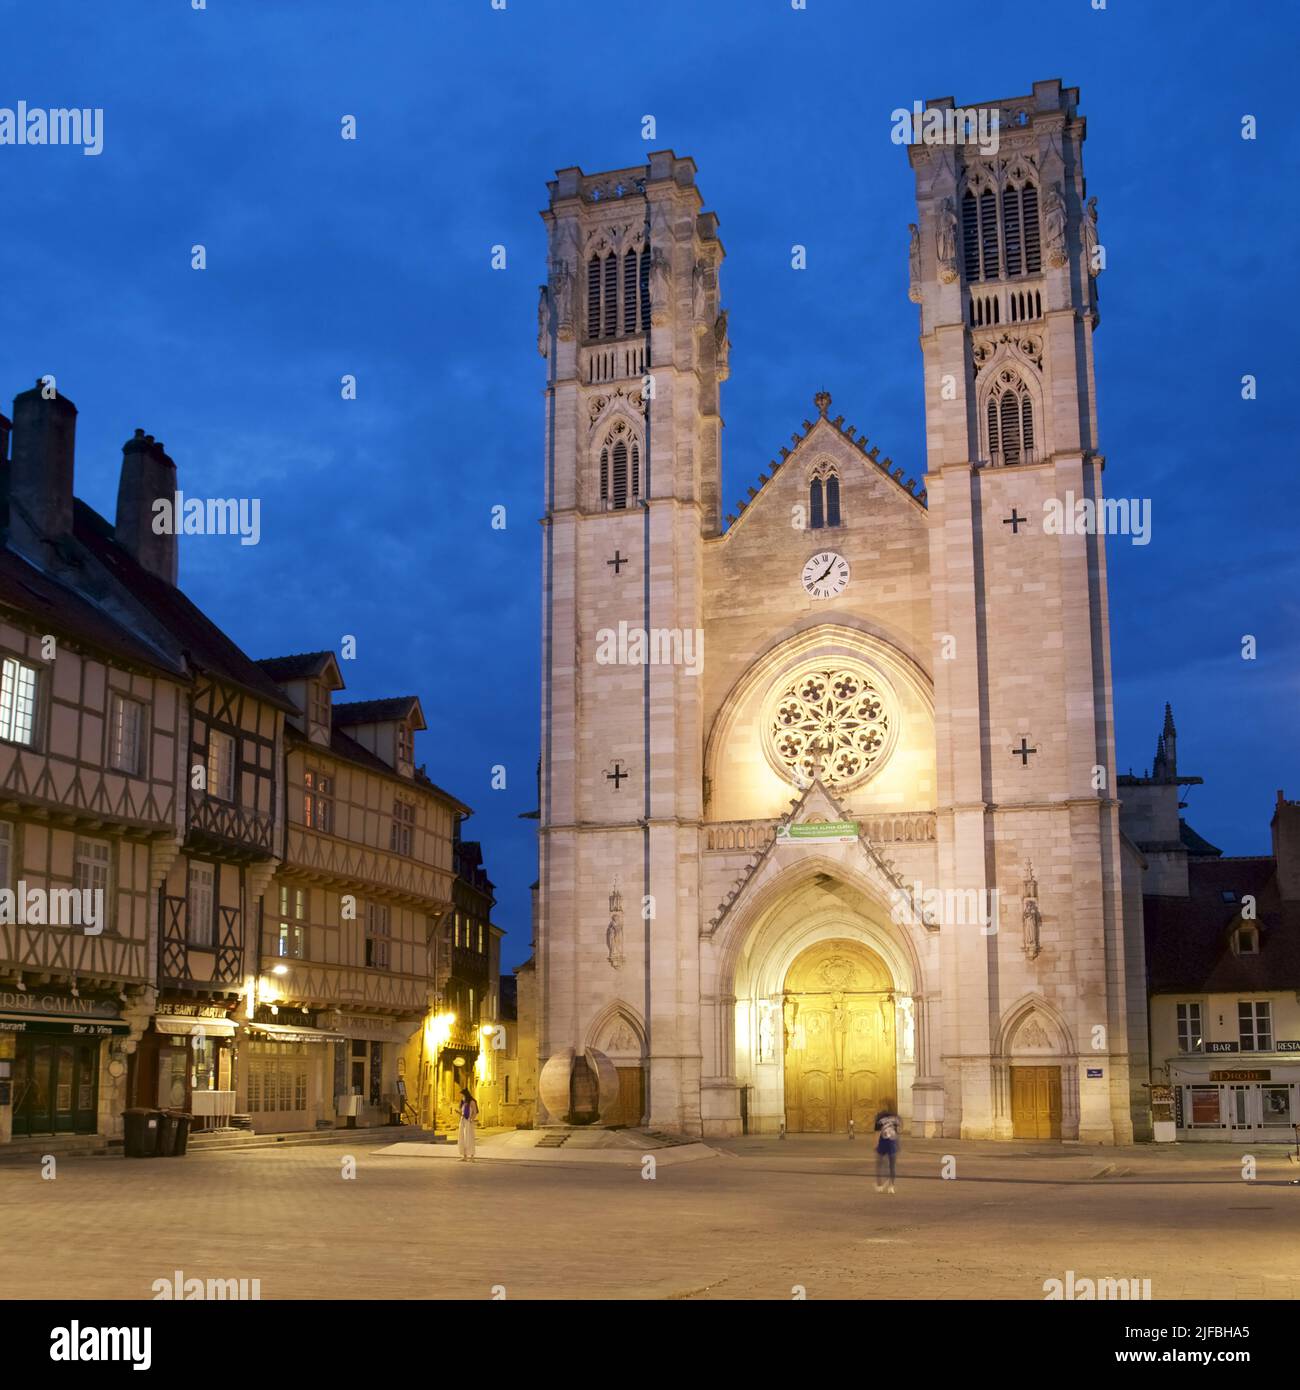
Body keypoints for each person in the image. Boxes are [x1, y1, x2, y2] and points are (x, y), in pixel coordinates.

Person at [873, 1100, 901, 1193]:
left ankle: (879, 1185)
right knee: (892, 1166)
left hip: (883, 1143)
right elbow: (899, 1129)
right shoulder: (895, 1117)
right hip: (892, 1143)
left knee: (879, 1164)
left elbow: (877, 1133)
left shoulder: (879, 1117)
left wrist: (875, 1144)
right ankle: (891, 1187)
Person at [457, 1087, 479, 1162]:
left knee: (469, 1138)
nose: (462, 1096)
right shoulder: (463, 1102)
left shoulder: (472, 1102)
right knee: (462, 1138)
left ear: (466, 1095)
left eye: (462, 1095)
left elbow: (475, 1112)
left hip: (468, 1122)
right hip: (462, 1121)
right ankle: (464, 1156)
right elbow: (462, 1112)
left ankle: (472, 1157)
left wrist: (471, 1119)